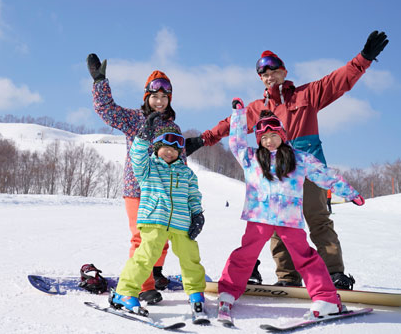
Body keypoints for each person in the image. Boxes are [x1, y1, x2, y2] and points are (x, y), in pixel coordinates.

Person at [186, 30, 388, 289]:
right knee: (277, 224)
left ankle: (334, 274)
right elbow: (230, 125)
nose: (269, 77)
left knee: (317, 219)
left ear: (284, 71)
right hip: (277, 173)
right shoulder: (259, 108)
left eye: (273, 71)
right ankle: (287, 276)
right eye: (263, 74)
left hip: (309, 168)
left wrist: (363, 59)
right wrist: (204, 139)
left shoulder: (307, 95)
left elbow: (338, 81)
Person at [217, 103, 365, 320]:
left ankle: (326, 299)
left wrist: (349, 192)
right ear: (258, 140)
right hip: (259, 217)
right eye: (263, 137)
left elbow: (325, 175)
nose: (268, 141)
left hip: (289, 219)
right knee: (245, 255)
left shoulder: (298, 158)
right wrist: (238, 115)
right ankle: (228, 292)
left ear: (282, 135)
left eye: (273, 135)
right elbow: (236, 142)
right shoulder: (251, 158)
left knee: (305, 257)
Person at [88, 53, 187, 304]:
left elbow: (181, 161)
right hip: (137, 189)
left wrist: (187, 196)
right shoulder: (134, 119)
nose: (160, 101)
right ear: (147, 97)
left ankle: (154, 272)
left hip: (164, 192)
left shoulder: (173, 128)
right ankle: (143, 286)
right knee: (142, 238)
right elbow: (106, 110)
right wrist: (100, 83)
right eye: (155, 96)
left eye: (165, 97)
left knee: (162, 238)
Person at [109, 113, 207, 319]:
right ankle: (124, 292)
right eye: (165, 147)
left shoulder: (186, 173)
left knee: (191, 257)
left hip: (182, 223)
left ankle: (195, 292)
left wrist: (197, 214)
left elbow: (193, 195)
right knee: (145, 257)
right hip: (154, 220)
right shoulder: (148, 169)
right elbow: (136, 156)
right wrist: (143, 136)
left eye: (174, 149)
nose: (170, 152)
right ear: (156, 148)